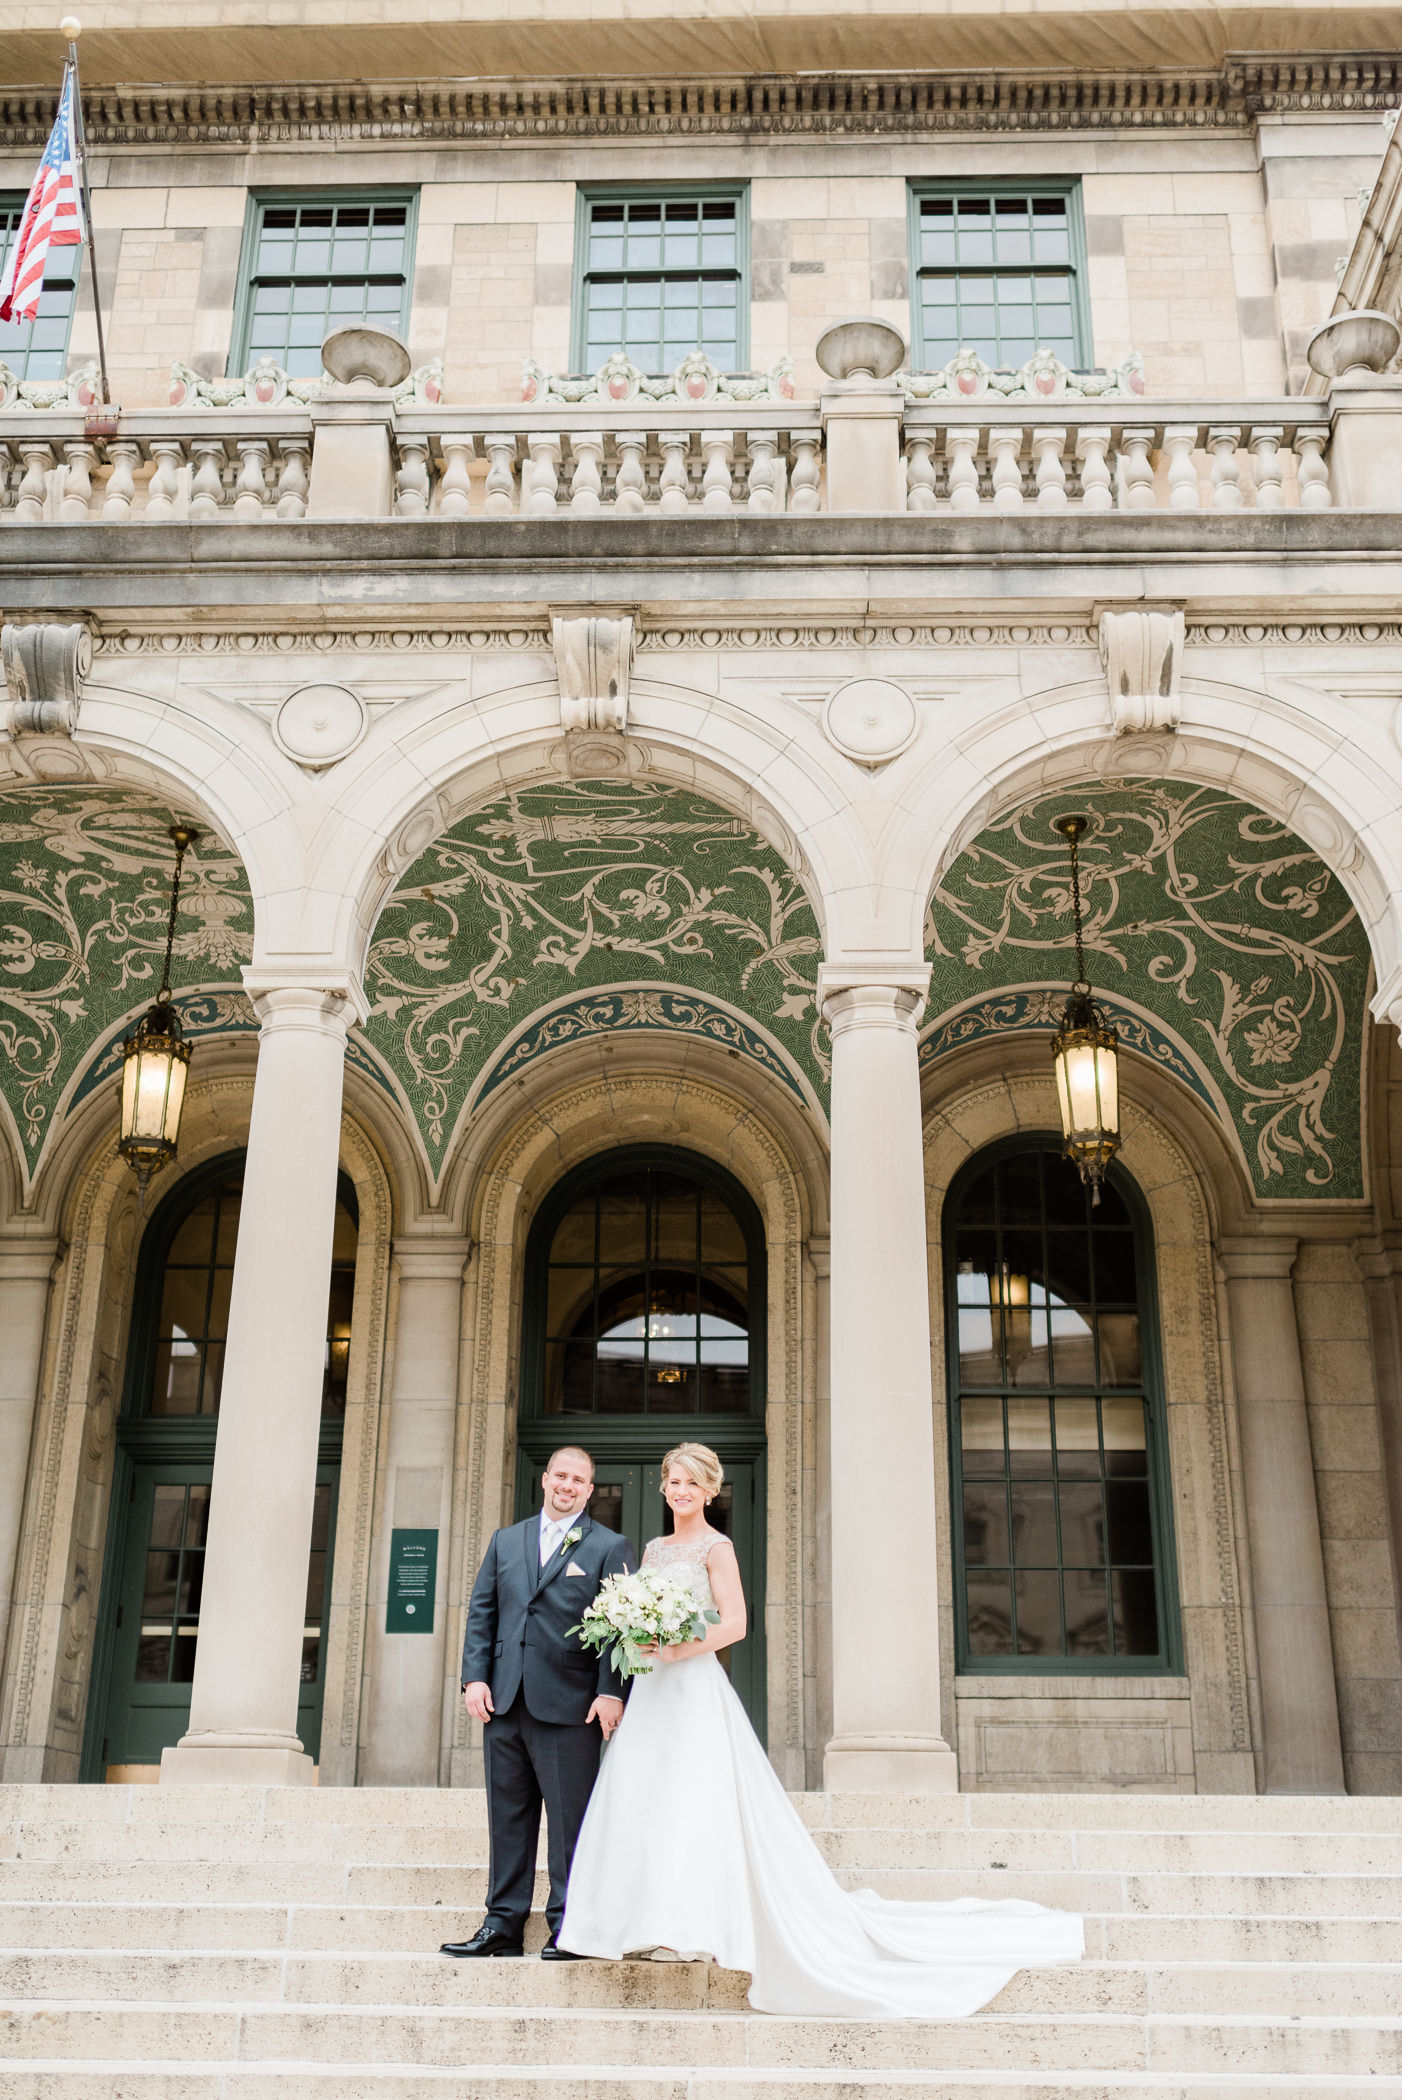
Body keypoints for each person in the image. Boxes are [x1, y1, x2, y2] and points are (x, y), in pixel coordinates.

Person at [558, 1441, 1085, 2017]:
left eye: (692, 1483)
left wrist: (681, 1646)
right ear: (664, 1488)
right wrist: (637, 1635)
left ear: (710, 1490)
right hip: (652, 1688)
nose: (680, 1491)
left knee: (695, 1801)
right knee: (644, 1799)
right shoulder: (654, 1550)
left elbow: (733, 1623)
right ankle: (638, 1921)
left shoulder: (718, 1546)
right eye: (673, 1482)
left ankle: (697, 1925)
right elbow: (639, 1617)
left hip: (691, 1686)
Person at [440, 1444, 634, 1961]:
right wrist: (473, 1680)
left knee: (570, 1823)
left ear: (590, 1491)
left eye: (579, 1481)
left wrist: (611, 1691)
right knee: (507, 1818)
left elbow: (621, 1629)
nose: (568, 1486)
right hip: (502, 1701)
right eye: (561, 1476)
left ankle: (569, 1927)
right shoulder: (507, 1540)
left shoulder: (609, 1546)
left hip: (571, 1706)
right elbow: (483, 1612)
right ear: (545, 1479)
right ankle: (502, 1925)